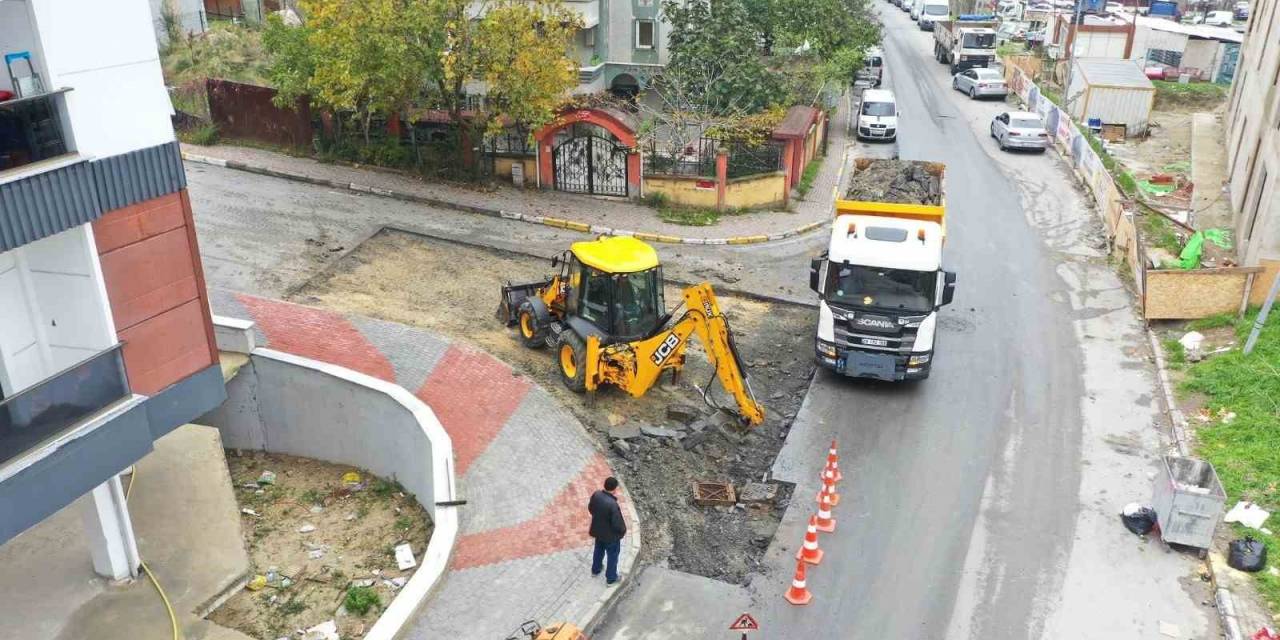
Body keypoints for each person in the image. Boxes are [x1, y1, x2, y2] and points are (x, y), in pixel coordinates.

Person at [588, 476, 626, 585]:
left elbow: (591, 508)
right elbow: (617, 524)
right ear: (614, 489)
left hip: (598, 531)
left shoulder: (596, 495)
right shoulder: (613, 505)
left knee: (598, 550)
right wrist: (622, 532)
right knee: (613, 556)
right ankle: (611, 578)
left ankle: (596, 569)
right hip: (611, 537)